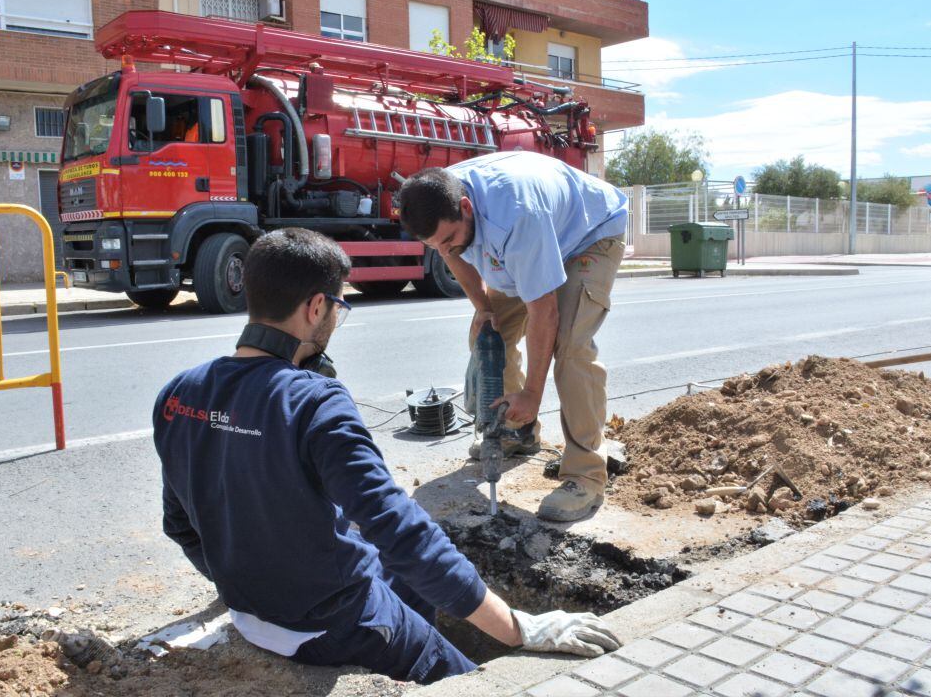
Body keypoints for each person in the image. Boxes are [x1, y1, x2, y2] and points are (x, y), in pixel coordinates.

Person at [153, 228, 620, 684]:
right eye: (337, 307)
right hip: (332, 625)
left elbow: (179, 525)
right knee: (469, 677)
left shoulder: (178, 392)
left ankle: (417, 622)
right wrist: (520, 628)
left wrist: (249, 585)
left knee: (400, 570)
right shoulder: (315, 403)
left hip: (249, 612)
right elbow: (404, 535)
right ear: (317, 306)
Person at [398, 152, 628, 523]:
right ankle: (515, 432)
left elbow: (544, 311)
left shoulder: (517, 216)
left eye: (450, 239)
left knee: (570, 349)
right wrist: (482, 308)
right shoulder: (443, 200)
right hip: (526, 240)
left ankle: (585, 476)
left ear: (466, 207)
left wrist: (533, 394)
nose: (445, 251)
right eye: (435, 246)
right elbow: (453, 253)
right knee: (489, 335)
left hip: (587, 236)